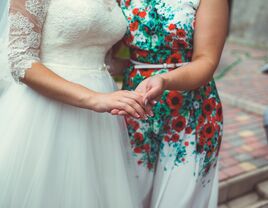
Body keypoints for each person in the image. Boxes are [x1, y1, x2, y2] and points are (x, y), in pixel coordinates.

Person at [0, 0, 149, 207]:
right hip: (46, 110)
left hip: (103, 114)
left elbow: (100, 58)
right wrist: (95, 98)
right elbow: (20, 61)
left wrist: (153, 69)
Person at [110, 0, 228, 207]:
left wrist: (165, 79)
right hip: (135, 110)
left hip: (191, 111)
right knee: (130, 196)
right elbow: (107, 47)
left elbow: (206, 60)